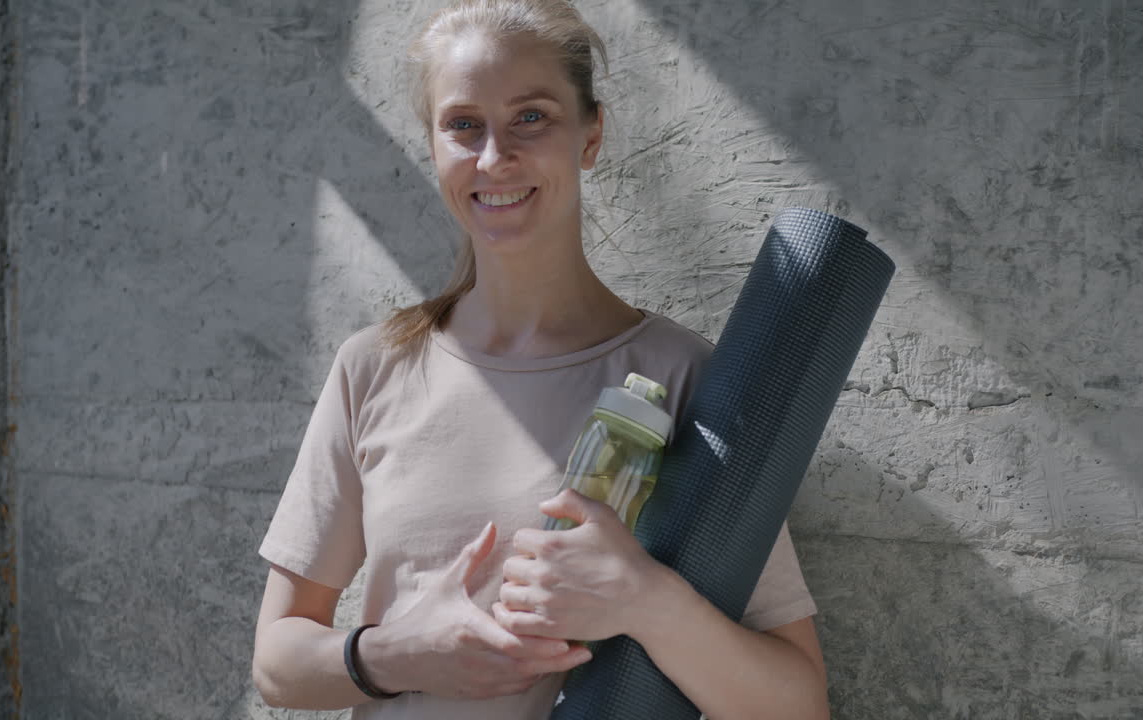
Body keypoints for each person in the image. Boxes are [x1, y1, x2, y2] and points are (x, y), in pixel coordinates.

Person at [252, 1, 829, 718]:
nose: (494, 158)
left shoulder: (688, 382)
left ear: (591, 135)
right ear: (433, 145)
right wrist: (400, 651)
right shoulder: (374, 368)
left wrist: (646, 601)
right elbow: (277, 663)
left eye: (532, 117)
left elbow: (798, 704)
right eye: (463, 124)